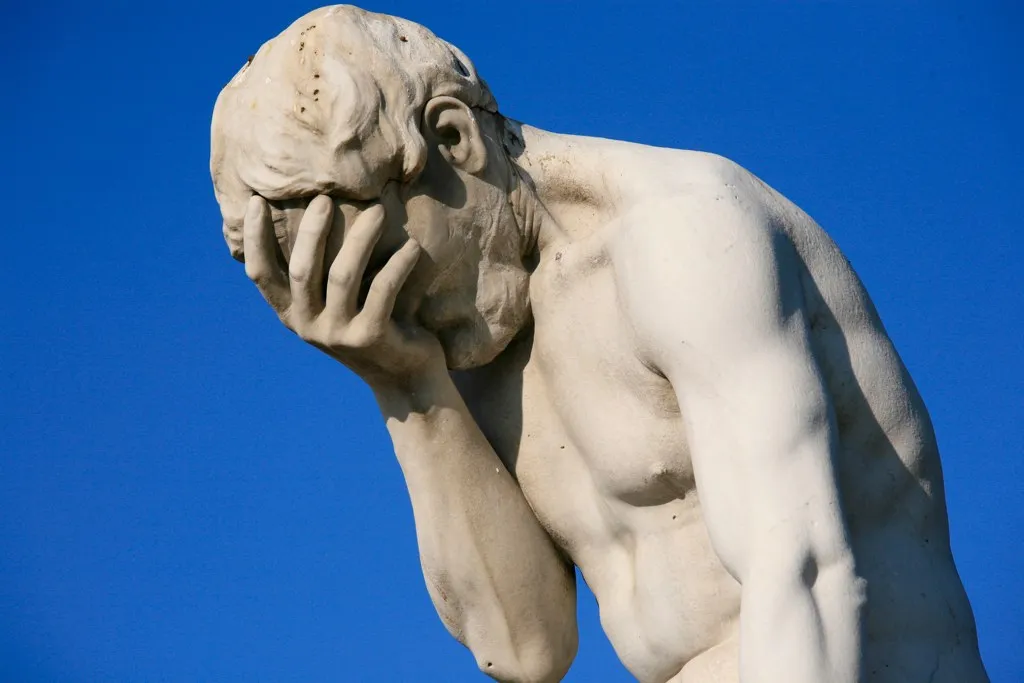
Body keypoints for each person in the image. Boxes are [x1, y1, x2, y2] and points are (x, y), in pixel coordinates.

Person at [210, 6, 988, 683]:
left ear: (453, 139)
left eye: (386, 267)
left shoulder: (682, 234)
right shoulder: (476, 325)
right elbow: (524, 650)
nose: (389, 305)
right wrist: (405, 383)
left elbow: (807, 572)